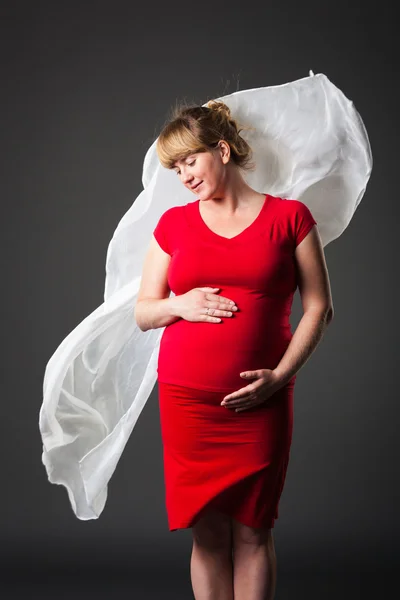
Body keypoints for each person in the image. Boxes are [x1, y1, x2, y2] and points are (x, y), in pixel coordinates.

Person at [134, 100, 334, 600]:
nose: (183, 175)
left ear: (221, 150)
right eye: (175, 167)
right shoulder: (173, 226)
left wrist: (280, 377)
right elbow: (143, 313)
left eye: (189, 161)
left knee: (252, 531)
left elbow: (319, 308)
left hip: (261, 400)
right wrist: (179, 304)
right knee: (206, 535)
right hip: (187, 401)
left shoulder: (291, 217)